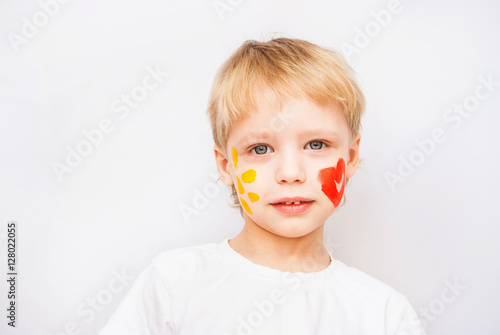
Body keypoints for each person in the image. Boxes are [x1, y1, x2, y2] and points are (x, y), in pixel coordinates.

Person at [99, 37, 426, 334]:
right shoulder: (174, 284)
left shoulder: (383, 315)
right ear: (226, 166)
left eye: (315, 144)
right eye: (260, 149)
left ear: (351, 156)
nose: (290, 173)